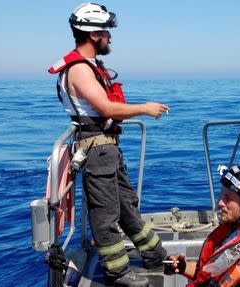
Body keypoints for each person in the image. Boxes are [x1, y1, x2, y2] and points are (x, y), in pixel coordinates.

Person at [48, 3, 169, 286]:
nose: (110, 37)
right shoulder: (79, 70)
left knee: (127, 205)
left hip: (107, 149)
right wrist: (145, 108)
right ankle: (118, 273)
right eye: (106, 32)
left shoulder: (90, 66)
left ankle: (154, 255)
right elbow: (106, 108)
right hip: (97, 151)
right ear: (93, 35)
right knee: (105, 216)